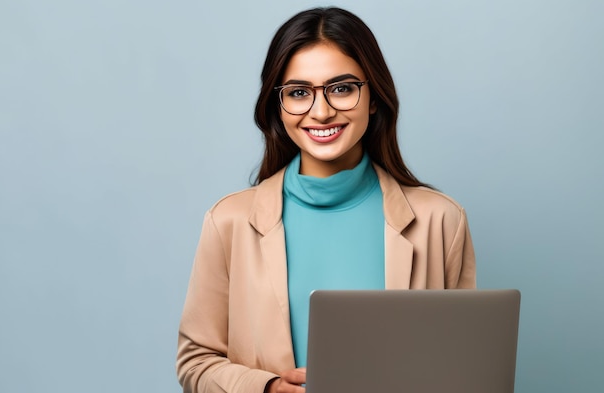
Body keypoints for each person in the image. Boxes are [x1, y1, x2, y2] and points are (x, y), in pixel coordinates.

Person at [176, 6, 476, 393]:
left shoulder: (442, 221)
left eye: (342, 88)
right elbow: (195, 362)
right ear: (277, 106)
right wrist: (267, 388)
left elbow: (467, 367)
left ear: (373, 97)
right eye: (299, 93)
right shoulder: (228, 221)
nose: (321, 112)